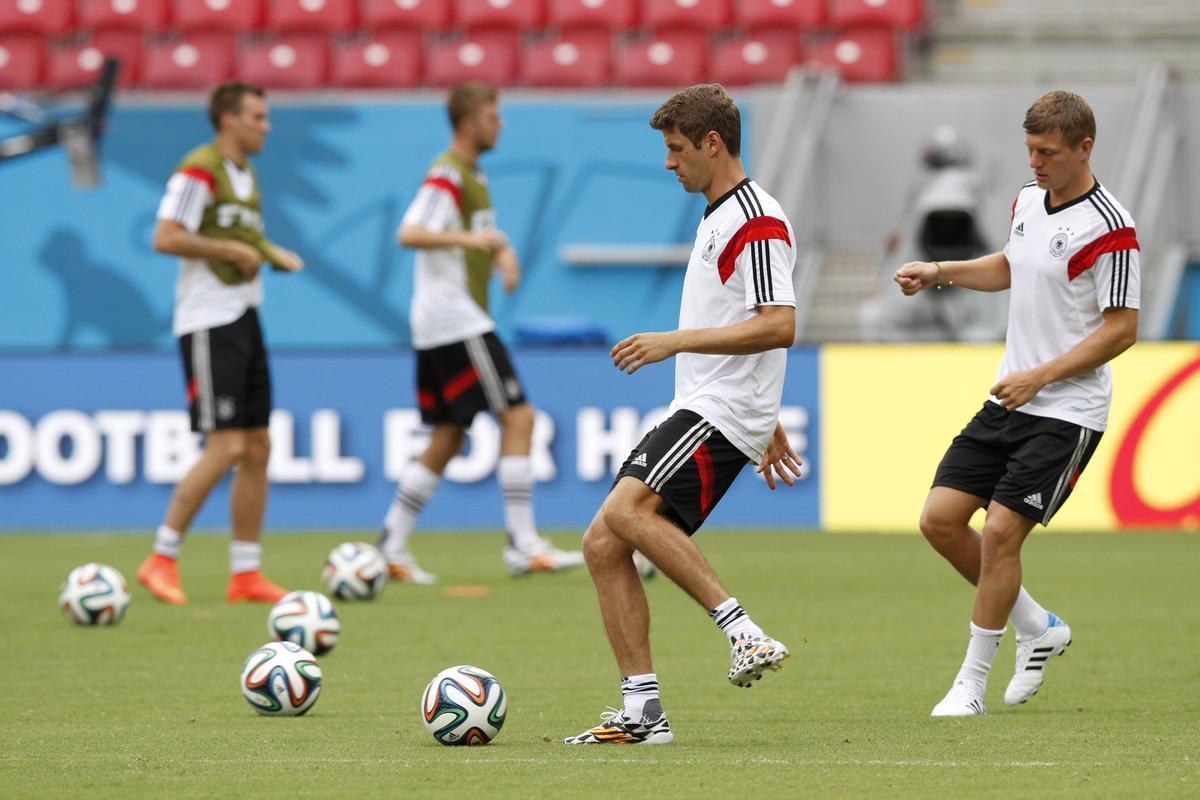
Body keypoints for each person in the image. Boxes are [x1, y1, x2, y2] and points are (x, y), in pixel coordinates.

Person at [564, 84, 804, 746]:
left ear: (713, 143)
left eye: (675, 150)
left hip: (720, 408)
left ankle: (743, 632)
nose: (669, 163)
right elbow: (742, 322)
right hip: (722, 404)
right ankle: (643, 713)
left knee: (623, 513)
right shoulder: (719, 214)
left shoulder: (756, 220)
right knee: (602, 543)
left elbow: (779, 324)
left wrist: (674, 344)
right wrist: (769, 414)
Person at [894, 91, 1140, 716]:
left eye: (1048, 153)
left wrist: (1041, 376)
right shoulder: (1029, 200)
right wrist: (940, 270)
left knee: (1001, 532)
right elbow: (1013, 265)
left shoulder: (1112, 228)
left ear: (1084, 148)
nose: (1035, 162)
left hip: (1067, 410)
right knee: (940, 521)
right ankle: (1038, 626)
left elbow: (1122, 330)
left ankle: (969, 686)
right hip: (1011, 398)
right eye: (1030, 150)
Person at [376, 81, 583, 583]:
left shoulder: (472, 175)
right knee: (519, 417)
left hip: (437, 320)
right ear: (470, 124)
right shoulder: (448, 173)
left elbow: (475, 239)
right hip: (457, 319)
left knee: (448, 435)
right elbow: (411, 232)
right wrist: (475, 238)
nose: (501, 124)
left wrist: (499, 253)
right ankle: (522, 543)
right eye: (494, 116)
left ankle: (391, 545)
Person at [136, 82, 304, 605]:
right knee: (226, 445)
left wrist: (271, 253)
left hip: (243, 315)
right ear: (228, 119)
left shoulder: (243, 173)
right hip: (208, 321)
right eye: (258, 115)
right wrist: (228, 247)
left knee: (258, 445)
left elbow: (243, 239)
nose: (266, 125)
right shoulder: (199, 167)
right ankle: (161, 557)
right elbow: (165, 235)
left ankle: (246, 573)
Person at [860, 125, 1005, 342]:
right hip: (925, 288)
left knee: (982, 335)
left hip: (964, 288)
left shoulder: (960, 198)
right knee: (874, 319)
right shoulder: (926, 202)